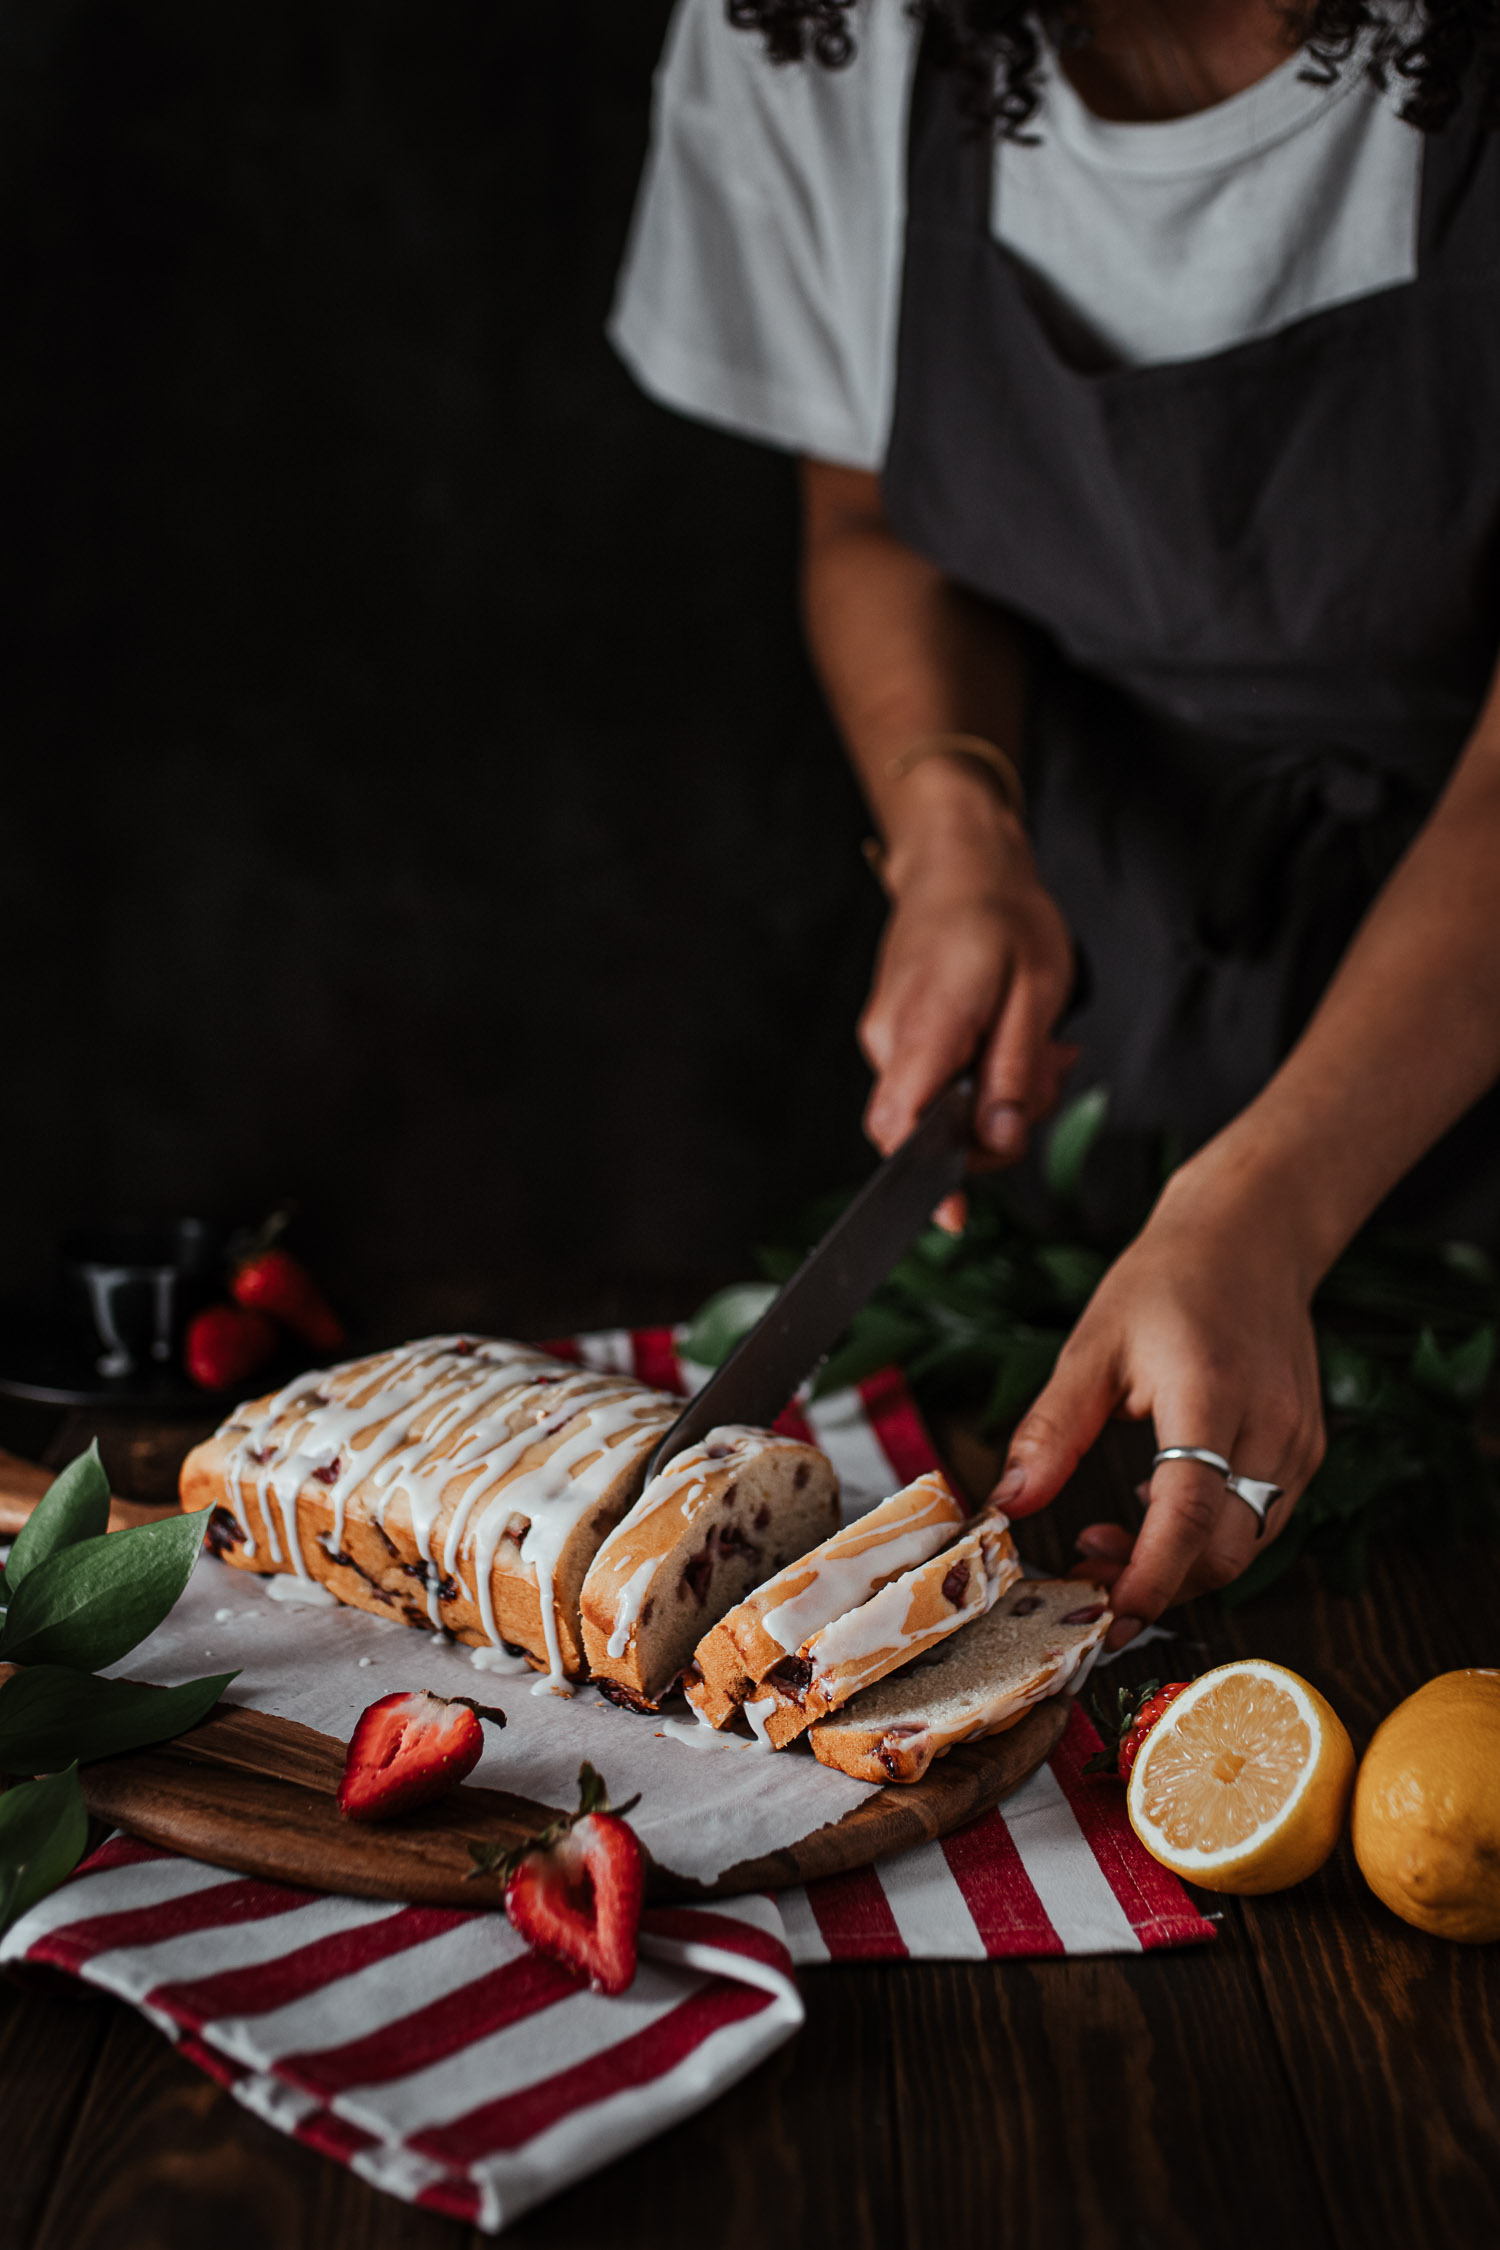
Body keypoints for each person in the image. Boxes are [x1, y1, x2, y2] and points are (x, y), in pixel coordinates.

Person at [610, 0, 1500, 1646]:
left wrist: (1280, 1197)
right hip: (1122, 1070)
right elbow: (867, 512)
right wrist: (954, 823)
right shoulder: (818, 32)